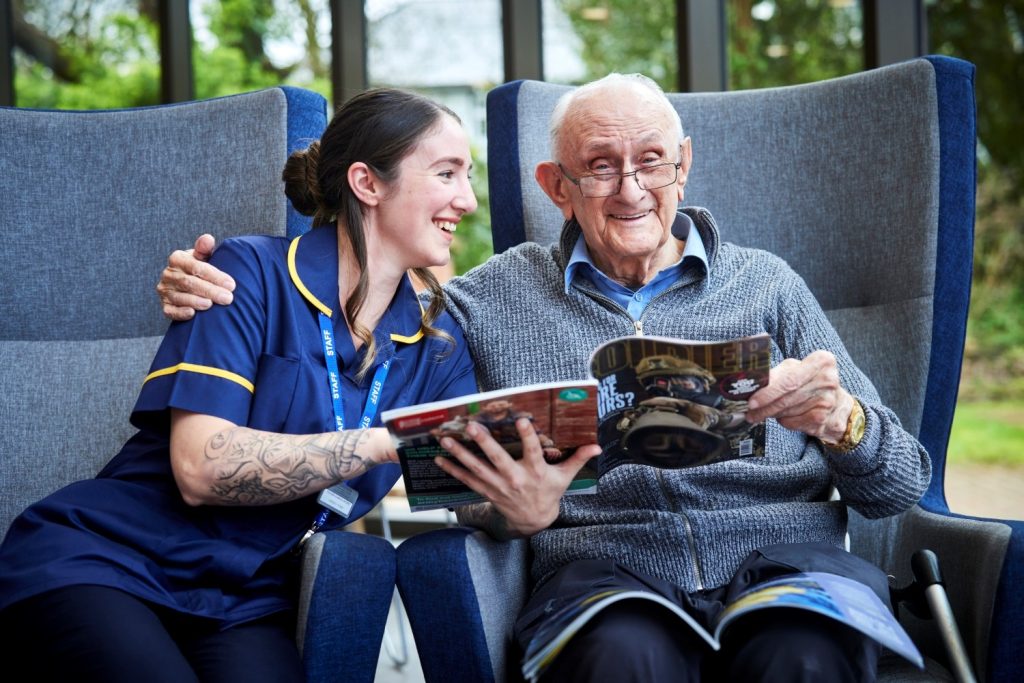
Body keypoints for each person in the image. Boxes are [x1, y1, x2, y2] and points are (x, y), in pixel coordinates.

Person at [155, 73, 931, 682]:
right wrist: (200, 279)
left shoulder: (768, 285)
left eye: (651, 161)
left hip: (784, 559)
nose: (630, 188)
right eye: (600, 167)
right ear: (556, 186)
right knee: (625, 660)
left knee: (803, 654)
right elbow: (444, 453)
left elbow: (900, 484)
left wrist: (843, 422)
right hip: (605, 570)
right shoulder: (479, 302)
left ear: (683, 166)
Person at [0, 87, 480, 683]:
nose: (469, 199)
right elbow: (200, 469)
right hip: (104, 561)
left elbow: (461, 491)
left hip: (243, 599)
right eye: (447, 173)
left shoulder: (438, 344)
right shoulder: (242, 274)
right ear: (368, 183)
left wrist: (529, 494)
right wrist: (388, 442)